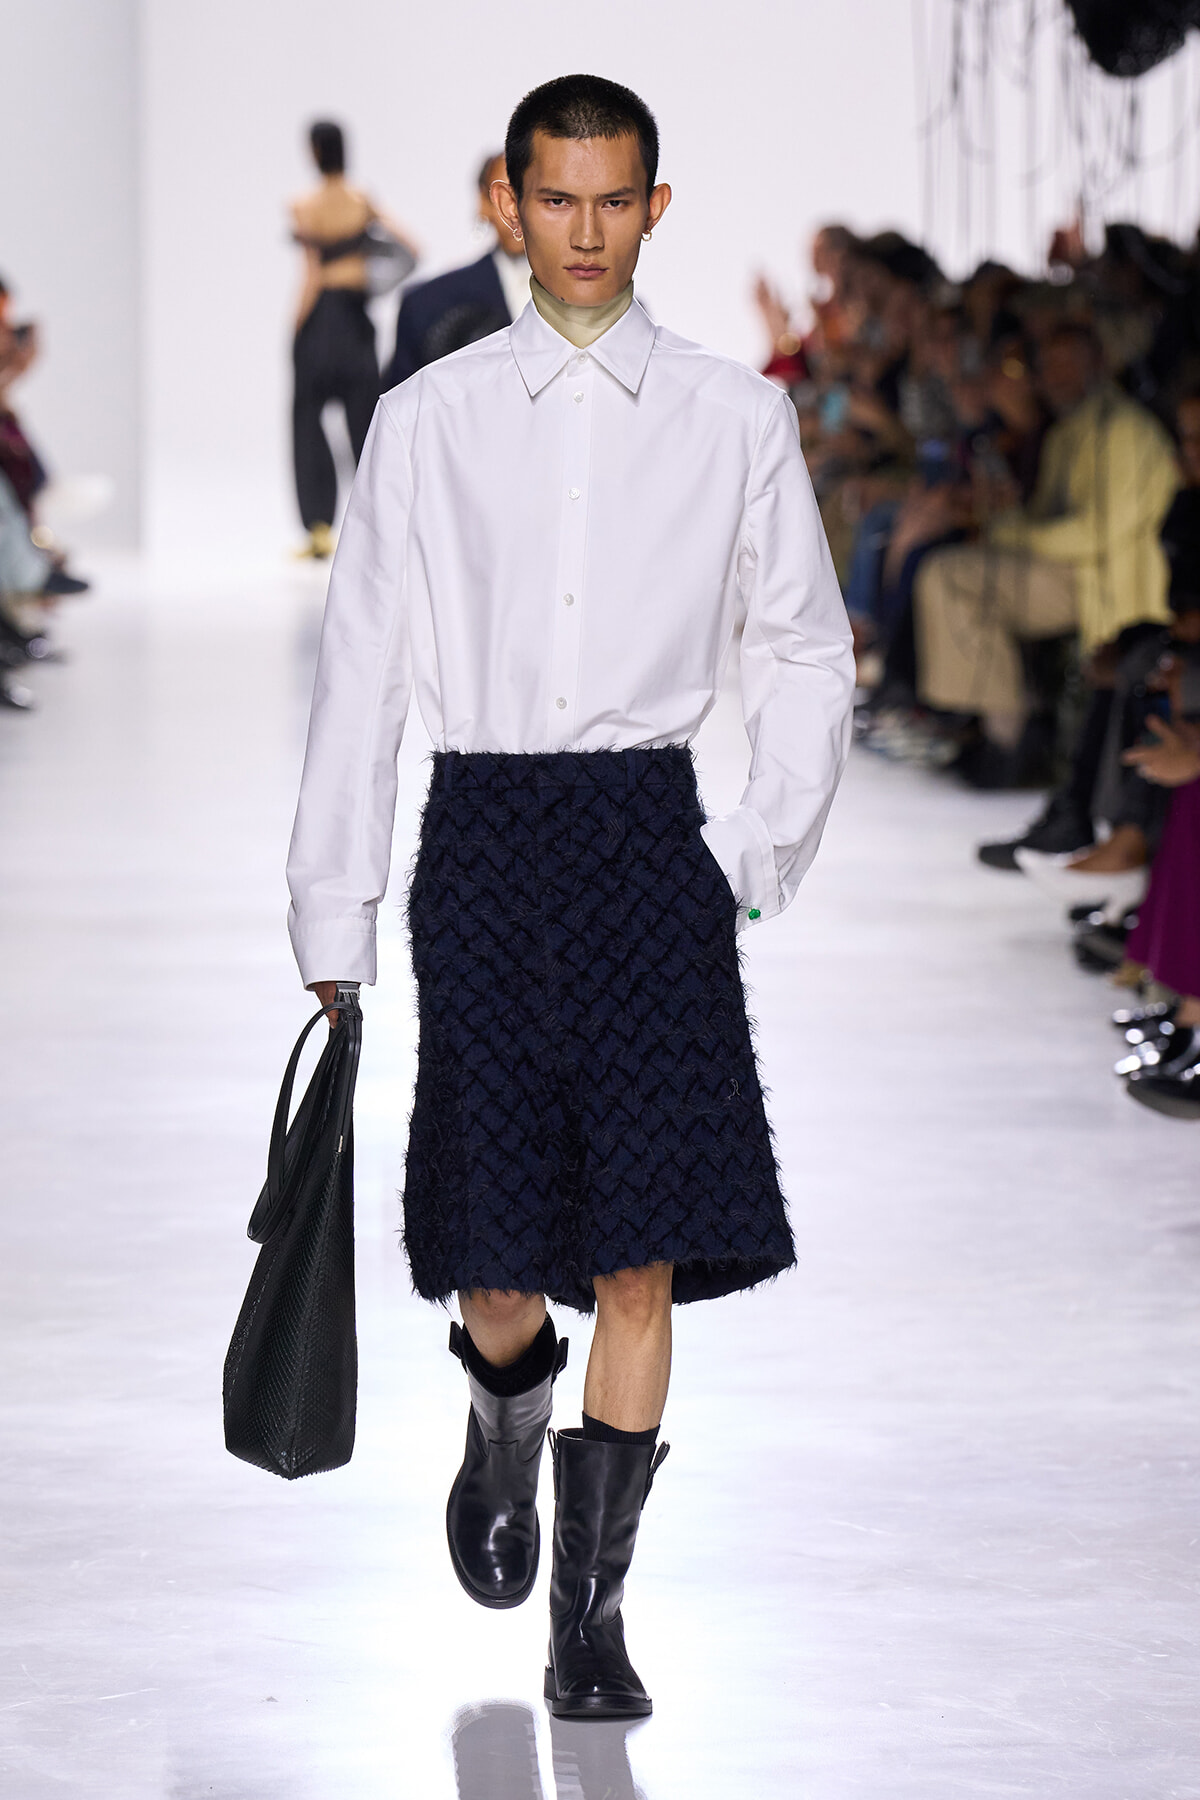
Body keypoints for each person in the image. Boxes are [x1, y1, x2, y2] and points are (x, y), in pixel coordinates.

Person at [285, 73, 854, 1720]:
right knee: (499, 1259)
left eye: (618, 200)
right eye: (560, 198)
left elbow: (806, 650)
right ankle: (503, 1414)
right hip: (483, 843)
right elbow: (361, 676)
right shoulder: (433, 416)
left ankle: (591, 1618)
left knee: (642, 1255)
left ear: (655, 207)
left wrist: (751, 853)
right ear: (509, 204)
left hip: (646, 840)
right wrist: (334, 914)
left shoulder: (736, 417)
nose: (588, 231)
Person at [913, 320, 1178, 787]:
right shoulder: (1068, 432)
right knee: (947, 569)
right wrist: (1003, 515)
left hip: (1112, 584)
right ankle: (994, 730)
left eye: (1067, 364)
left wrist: (1013, 533)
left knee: (954, 576)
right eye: (1049, 366)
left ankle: (1009, 739)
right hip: (1077, 572)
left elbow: (1096, 534)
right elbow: (1042, 518)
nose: (1056, 376)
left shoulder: (1122, 430)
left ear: (1098, 363)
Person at [289, 120, 419, 560]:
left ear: (314, 151)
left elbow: (309, 276)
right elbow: (411, 246)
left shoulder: (305, 206)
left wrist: (295, 327)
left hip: (321, 317)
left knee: (307, 423)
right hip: (355, 319)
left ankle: (319, 529)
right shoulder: (361, 200)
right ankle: (379, 527)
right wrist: (370, 266)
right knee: (365, 424)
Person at [382, 152, 531, 389]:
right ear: (484, 204)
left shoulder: (603, 302)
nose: (516, 212)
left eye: (537, 194)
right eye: (506, 197)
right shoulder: (426, 306)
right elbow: (402, 413)